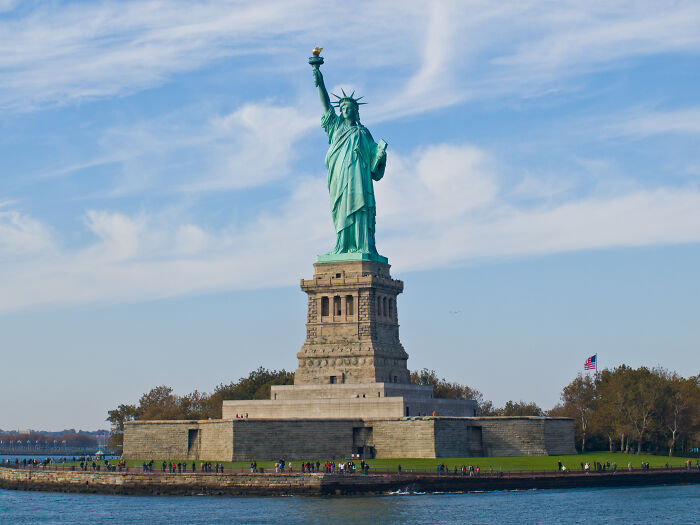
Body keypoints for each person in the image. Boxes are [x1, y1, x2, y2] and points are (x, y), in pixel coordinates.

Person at [312, 63, 387, 258]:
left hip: (359, 177)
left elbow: (374, 163)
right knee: (340, 208)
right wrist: (320, 82)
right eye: (343, 107)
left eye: (349, 108)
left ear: (356, 111)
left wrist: (380, 155)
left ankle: (362, 246)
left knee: (360, 207)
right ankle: (342, 245)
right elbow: (326, 105)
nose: (345, 110)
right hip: (339, 175)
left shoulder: (363, 132)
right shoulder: (335, 127)